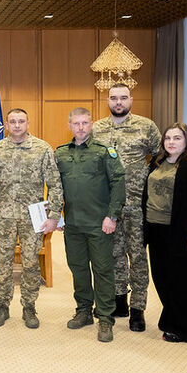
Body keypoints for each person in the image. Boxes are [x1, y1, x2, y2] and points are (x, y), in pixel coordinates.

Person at [0, 108, 63, 329]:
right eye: (12, 122)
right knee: (3, 265)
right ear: (6, 125)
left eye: (21, 121)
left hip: (32, 219)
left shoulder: (42, 148)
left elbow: (55, 184)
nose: (17, 125)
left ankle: (29, 307)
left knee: (30, 264)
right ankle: (2, 306)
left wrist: (54, 215)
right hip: (4, 217)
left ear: (28, 123)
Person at [92, 82, 160, 332]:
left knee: (138, 257)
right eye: (113, 98)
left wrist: (146, 182)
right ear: (107, 100)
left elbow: (162, 157)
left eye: (123, 98)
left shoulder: (146, 126)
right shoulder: (96, 129)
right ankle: (118, 301)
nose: (118, 102)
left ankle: (138, 309)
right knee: (113, 254)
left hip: (137, 205)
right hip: (108, 206)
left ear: (131, 99)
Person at [55, 108, 125, 342]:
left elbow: (118, 182)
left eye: (85, 123)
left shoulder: (104, 151)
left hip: (99, 223)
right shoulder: (61, 153)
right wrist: (57, 216)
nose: (81, 127)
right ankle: (84, 310)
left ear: (92, 124)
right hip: (73, 224)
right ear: (69, 125)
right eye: (76, 123)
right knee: (78, 269)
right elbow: (55, 188)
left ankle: (105, 318)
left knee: (103, 270)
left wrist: (112, 215)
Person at [142, 123, 187, 343]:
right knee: (162, 278)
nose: (171, 142)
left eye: (177, 138)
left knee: (183, 281)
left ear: (186, 141)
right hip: (155, 228)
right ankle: (171, 316)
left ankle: (186, 330)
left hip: (181, 231)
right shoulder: (158, 161)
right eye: (168, 138)